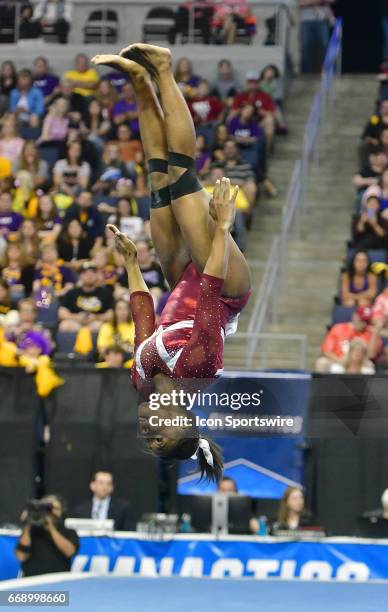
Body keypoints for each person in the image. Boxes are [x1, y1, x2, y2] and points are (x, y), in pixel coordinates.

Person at [91, 42, 251, 482]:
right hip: (223, 284)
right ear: (185, 422)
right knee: (183, 174)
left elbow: (145, 320)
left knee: (157, 176)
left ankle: (140, 83)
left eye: (148, 439)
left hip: (178, 278)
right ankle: (163, 69)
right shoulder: (199, 370)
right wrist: (222, 228)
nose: (149, 432)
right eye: (162, 437)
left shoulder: (141, 379)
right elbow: (212, 292)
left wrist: (129, 264)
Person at [15, 494, 79, 577]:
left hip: (58, 582)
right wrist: (27, 525)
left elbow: (69, 552)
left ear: (61, 511)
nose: (51, 512)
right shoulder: (31, 532)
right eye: (47, 509)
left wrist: (51, 529)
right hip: (32, 582)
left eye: (55, 509)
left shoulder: (68, 532)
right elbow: (21, 556)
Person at [316, 307, 383, 372]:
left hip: (360, 364)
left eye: (366, 321)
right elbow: (326, 351)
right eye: (361, 320)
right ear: (355, 316)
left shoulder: (371, 333)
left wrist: (375, 333)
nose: (363, 324)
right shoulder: (338, 328)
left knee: (370, 366)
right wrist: (340, 361)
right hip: (338, 361)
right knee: (322, 362)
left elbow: (371, 355)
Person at [58, 261, 114, 332]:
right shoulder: (71, 293)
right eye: (85, 273)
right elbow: (61, 312)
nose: (89, 276)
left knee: (102, 326)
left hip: (96, 323)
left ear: (96, 275)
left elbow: (111, 314)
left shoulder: (105, 293)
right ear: (80, 276)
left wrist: (96, 317)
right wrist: (76, 317)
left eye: (92, 273)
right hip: (76, 323)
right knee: (64, 325)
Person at [299, 0, 335, 74]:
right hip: (306, 20)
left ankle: (326, 71)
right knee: (306, 47)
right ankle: (305, 73)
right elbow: (299, 3)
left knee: (324, 46)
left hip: (322, 19)